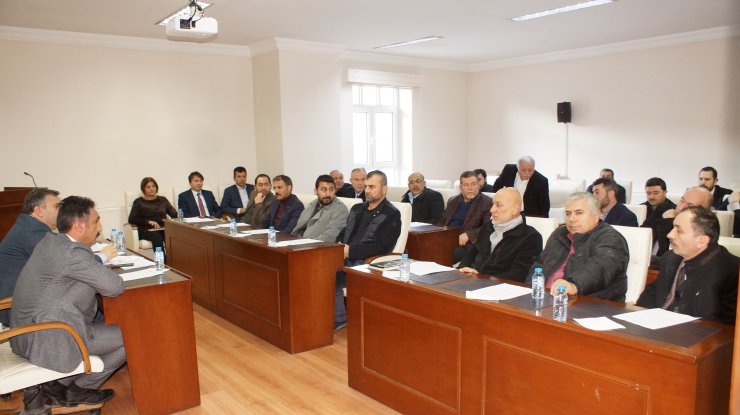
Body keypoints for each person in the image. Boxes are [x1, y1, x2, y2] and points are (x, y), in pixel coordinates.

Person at [10, 196, 125, 407]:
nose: (100, 227)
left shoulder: (51, 241)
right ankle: (78, 389)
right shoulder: (72, 254)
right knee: (134, 334)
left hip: (25, 335)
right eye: (97, 221)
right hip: (50, 339)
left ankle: (57, 384)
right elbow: (114, 286)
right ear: (79, 225)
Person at [637, 207, 738, 325]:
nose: (670, 235)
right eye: (673, 228)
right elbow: (650, 294)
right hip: (657, 327)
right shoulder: (670, 258)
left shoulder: (730, 270)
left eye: (679, 231)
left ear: (701, 240)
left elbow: (726, 324)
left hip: (699, 332)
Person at [529, 192, 629, 301]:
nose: (572, 219)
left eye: (579, 213)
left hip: (589, 303)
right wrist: (529, 288)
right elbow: (539, 263)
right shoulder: (560, 234)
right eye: (568, 214)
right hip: (544, 297)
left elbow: (601, 268)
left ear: (596, 215)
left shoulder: (611, 238)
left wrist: (573, 285)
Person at [334, 170, 401, 330]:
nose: (367, 190)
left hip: (365, 263)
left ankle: (339, 318)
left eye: (372, 187)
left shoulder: (391, 214)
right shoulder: (357, 208)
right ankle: (319, 317)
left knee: (328, 277)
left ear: (384, 189)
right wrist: (338, 244)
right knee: (315, 270)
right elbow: (345, 232)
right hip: (343, 256)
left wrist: (350, 251)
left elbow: (383, 247)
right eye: (366, 186)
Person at [0, 188, 61, 326]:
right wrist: (101, 257)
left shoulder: (28, 225)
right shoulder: (33, 231)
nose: (61, 210)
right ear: (39, 210)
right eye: (56, 206)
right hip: (16, 307)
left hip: (18, 299)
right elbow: (65, 261)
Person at [458, 188, 542, 282]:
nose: (492, 209)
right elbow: (471, 253)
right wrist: (462, 269)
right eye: (493, 204)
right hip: (472, 280)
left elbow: (519, 274)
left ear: (515, 209)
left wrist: (482, 278)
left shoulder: (531, 237)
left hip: (499, 285)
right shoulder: (488, 227)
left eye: (498, 205)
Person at [436, 171, 493, 263]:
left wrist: (469, 234)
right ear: (461, 187)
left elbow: (487, 227)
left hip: (466, 244)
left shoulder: (487, 202)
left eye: (473, 184)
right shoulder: (452, 200)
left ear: (478, 185)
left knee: (443, 255)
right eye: (466, 185)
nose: (470, 188)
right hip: (446, 238)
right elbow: (442, 222)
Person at [652, 186, 713, 258]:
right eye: (682, 201)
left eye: (690, 206)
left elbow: (670, 257)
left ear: (703, 212)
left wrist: (667, 222)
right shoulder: (664, 210)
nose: (680, 208)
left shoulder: (699, 231)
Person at [292, 174, 349, 242]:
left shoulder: (340, 210)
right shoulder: (312, 204)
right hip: (297, 242)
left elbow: (329, 237)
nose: (328, 194)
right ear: (316, 191)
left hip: (315, 246)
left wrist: (304, 243)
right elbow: (298, 228)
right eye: (323, 190)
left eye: (331, 190)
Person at [127, 177, 177, 251]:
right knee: (157, 237)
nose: (152, 189)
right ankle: (161, 258)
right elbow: (131, 219)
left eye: (153, 186)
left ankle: (174, 257)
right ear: (143, 189)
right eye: (148, 187)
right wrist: (148, 222)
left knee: (172, 236)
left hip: (162, 228)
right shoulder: (138, 202)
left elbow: (174, 215)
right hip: (146, 230)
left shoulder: (163, 200)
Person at [640, 177, 676, 254]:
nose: (651, 197)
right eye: (648, 193)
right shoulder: (641, 208)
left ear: (665, 192)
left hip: (661, 251)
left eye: (656, 193)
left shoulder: (673, 210)